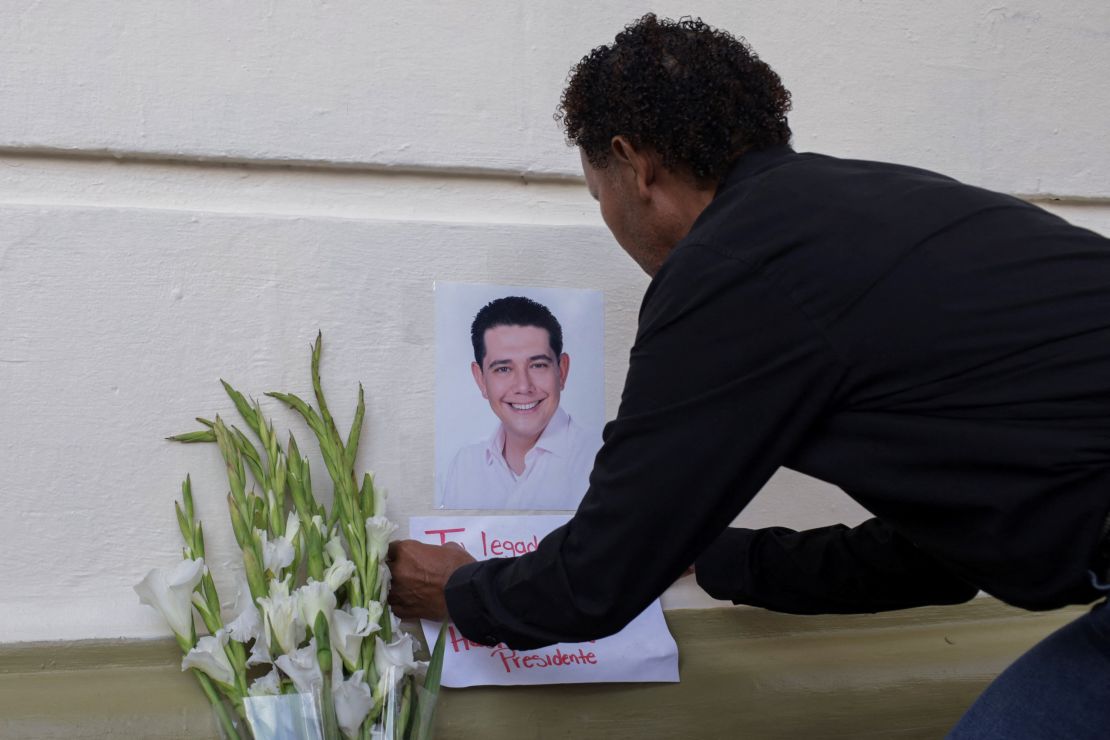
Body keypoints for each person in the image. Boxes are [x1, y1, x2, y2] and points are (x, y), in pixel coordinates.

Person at [390, 14, 1110, 736]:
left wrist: (458, 591)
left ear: (633, 164)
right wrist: (713, 557)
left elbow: (596, 581)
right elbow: (939, 559)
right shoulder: (873, 206)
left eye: (595, 192)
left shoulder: (732, 265)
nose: (607, 213)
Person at [440, 296, 598, 510]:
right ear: (480, 379)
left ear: (562, 371)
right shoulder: (464, 467)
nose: (523, 386)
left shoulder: (601, 458)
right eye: (503, 369)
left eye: (538, 365)